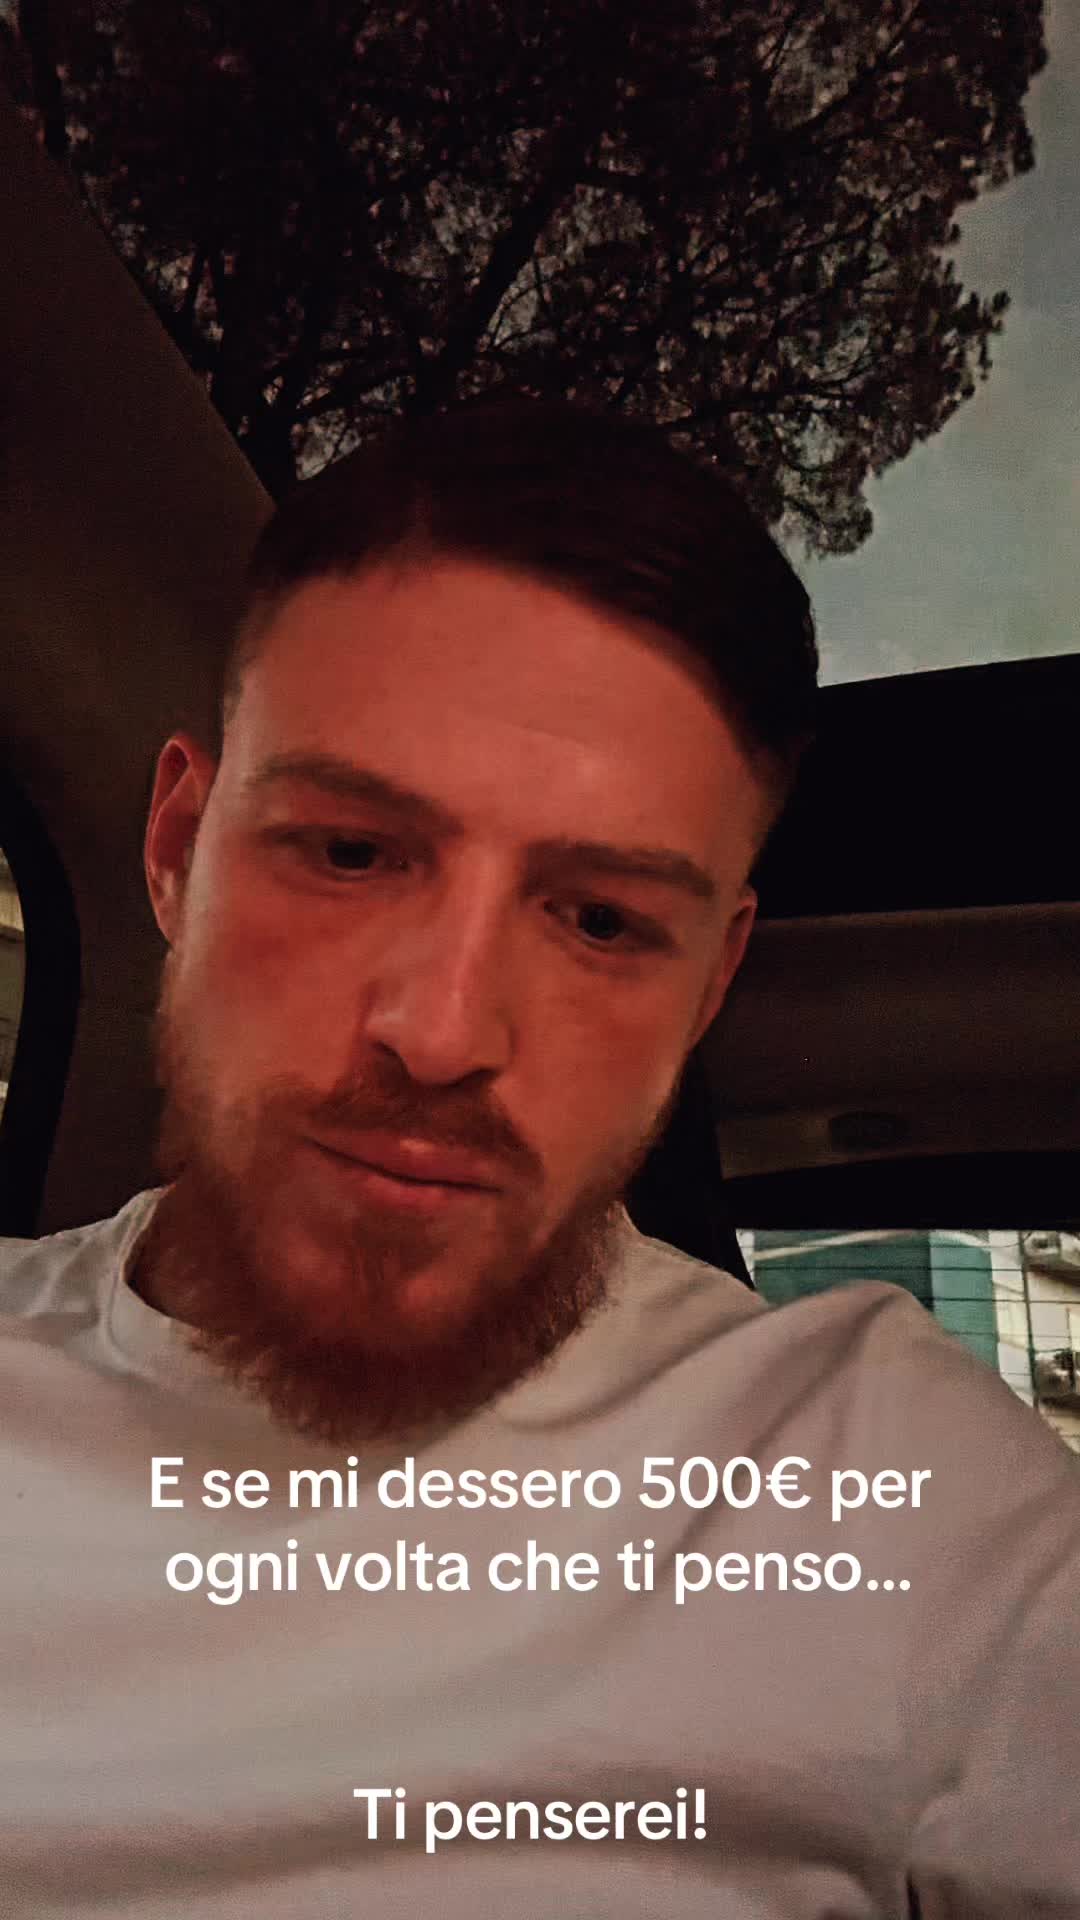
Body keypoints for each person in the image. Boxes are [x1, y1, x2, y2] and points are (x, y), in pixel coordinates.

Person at [2, 398, 1078, 1920]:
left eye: (602, 921)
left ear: (710, 982)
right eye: (351, 852)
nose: (442, 1033)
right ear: (178, 849)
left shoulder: (889, 1477)